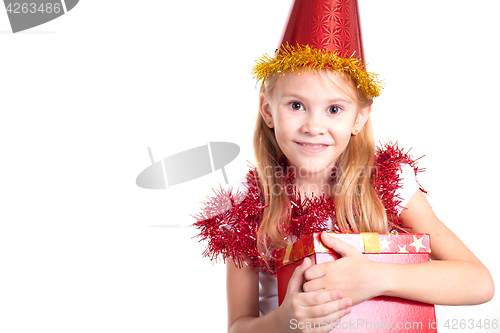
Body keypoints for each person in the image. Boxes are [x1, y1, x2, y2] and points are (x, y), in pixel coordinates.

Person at [193, 1, 494, 332]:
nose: (313, 126)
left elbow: (478, 282)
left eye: (334, 109)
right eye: (296, 105)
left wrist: (377, 277)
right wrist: (285, 320)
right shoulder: (248, 207)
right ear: (268, 110)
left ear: (359, 117)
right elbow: (238, 326)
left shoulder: (389, 184)